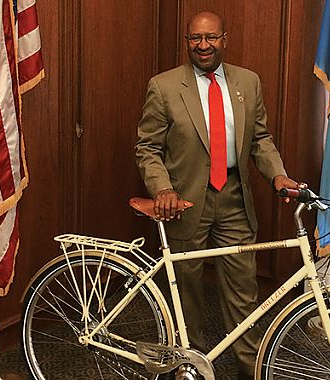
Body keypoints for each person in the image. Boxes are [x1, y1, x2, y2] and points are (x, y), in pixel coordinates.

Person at [134, 11, 298, 379]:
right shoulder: (163, 86)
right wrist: (163, 188)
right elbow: (147, 148)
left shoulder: (248, 82)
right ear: (187, 41)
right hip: (184, 204)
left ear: (225, 38)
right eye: (195, 39)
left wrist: (279, 176)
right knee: (186, 292)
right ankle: (189, 367)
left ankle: (249, 367)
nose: (203, 46)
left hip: (235, 199)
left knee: (244, 292)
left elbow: (259, 139)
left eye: (210, 38)